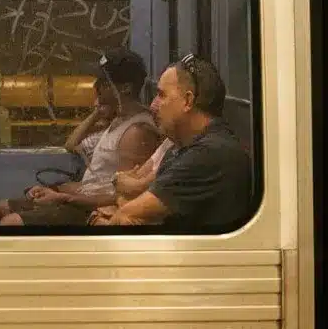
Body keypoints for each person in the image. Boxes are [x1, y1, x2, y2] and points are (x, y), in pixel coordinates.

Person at [0, 49, 161, 227]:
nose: (95, 87)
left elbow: (122, 198)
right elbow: (79, 156)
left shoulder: (136, 132)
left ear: (125, 88)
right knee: (2, 207)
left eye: (103, 83)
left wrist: (64, 198)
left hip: (93, 209)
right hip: (83, 199)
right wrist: (54, 190)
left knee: (10, 223)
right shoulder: (118, 121)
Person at [92, 55, 252, 231]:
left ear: (187, 101)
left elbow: (127, 215)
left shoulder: (208, 155)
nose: (153, 105)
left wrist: (115, 205)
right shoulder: (179, 148)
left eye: (161, 95)